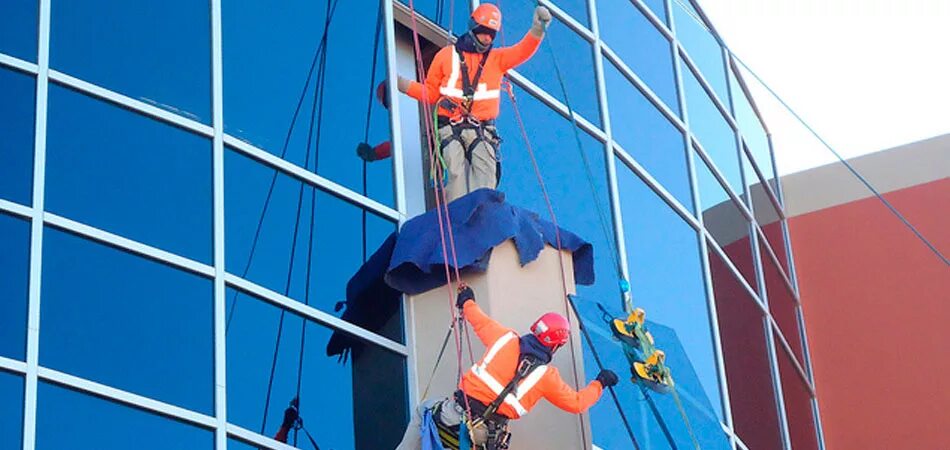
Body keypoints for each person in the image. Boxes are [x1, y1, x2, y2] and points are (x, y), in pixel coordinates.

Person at [395, 284, 619, 450]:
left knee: (424, 408)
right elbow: (577, 403)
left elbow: (477, 319)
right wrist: (600, 383)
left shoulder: (505, 338)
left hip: (454, 416)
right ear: (557, 345)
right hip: (486, 438)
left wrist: (467, 300)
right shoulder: (546, 377)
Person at [370, 3, 552, 202]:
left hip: (481, 130)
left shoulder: (497, 59)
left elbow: (522, 51)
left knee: (485, 178)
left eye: (491, 34)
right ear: (473, 27)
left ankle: (482, 218)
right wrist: (403, 84)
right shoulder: (446, 56)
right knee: (455, 179)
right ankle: (458, 219)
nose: (487, 38)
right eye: (483, 32)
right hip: (450, 128)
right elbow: (431, 93)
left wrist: (537, 30)